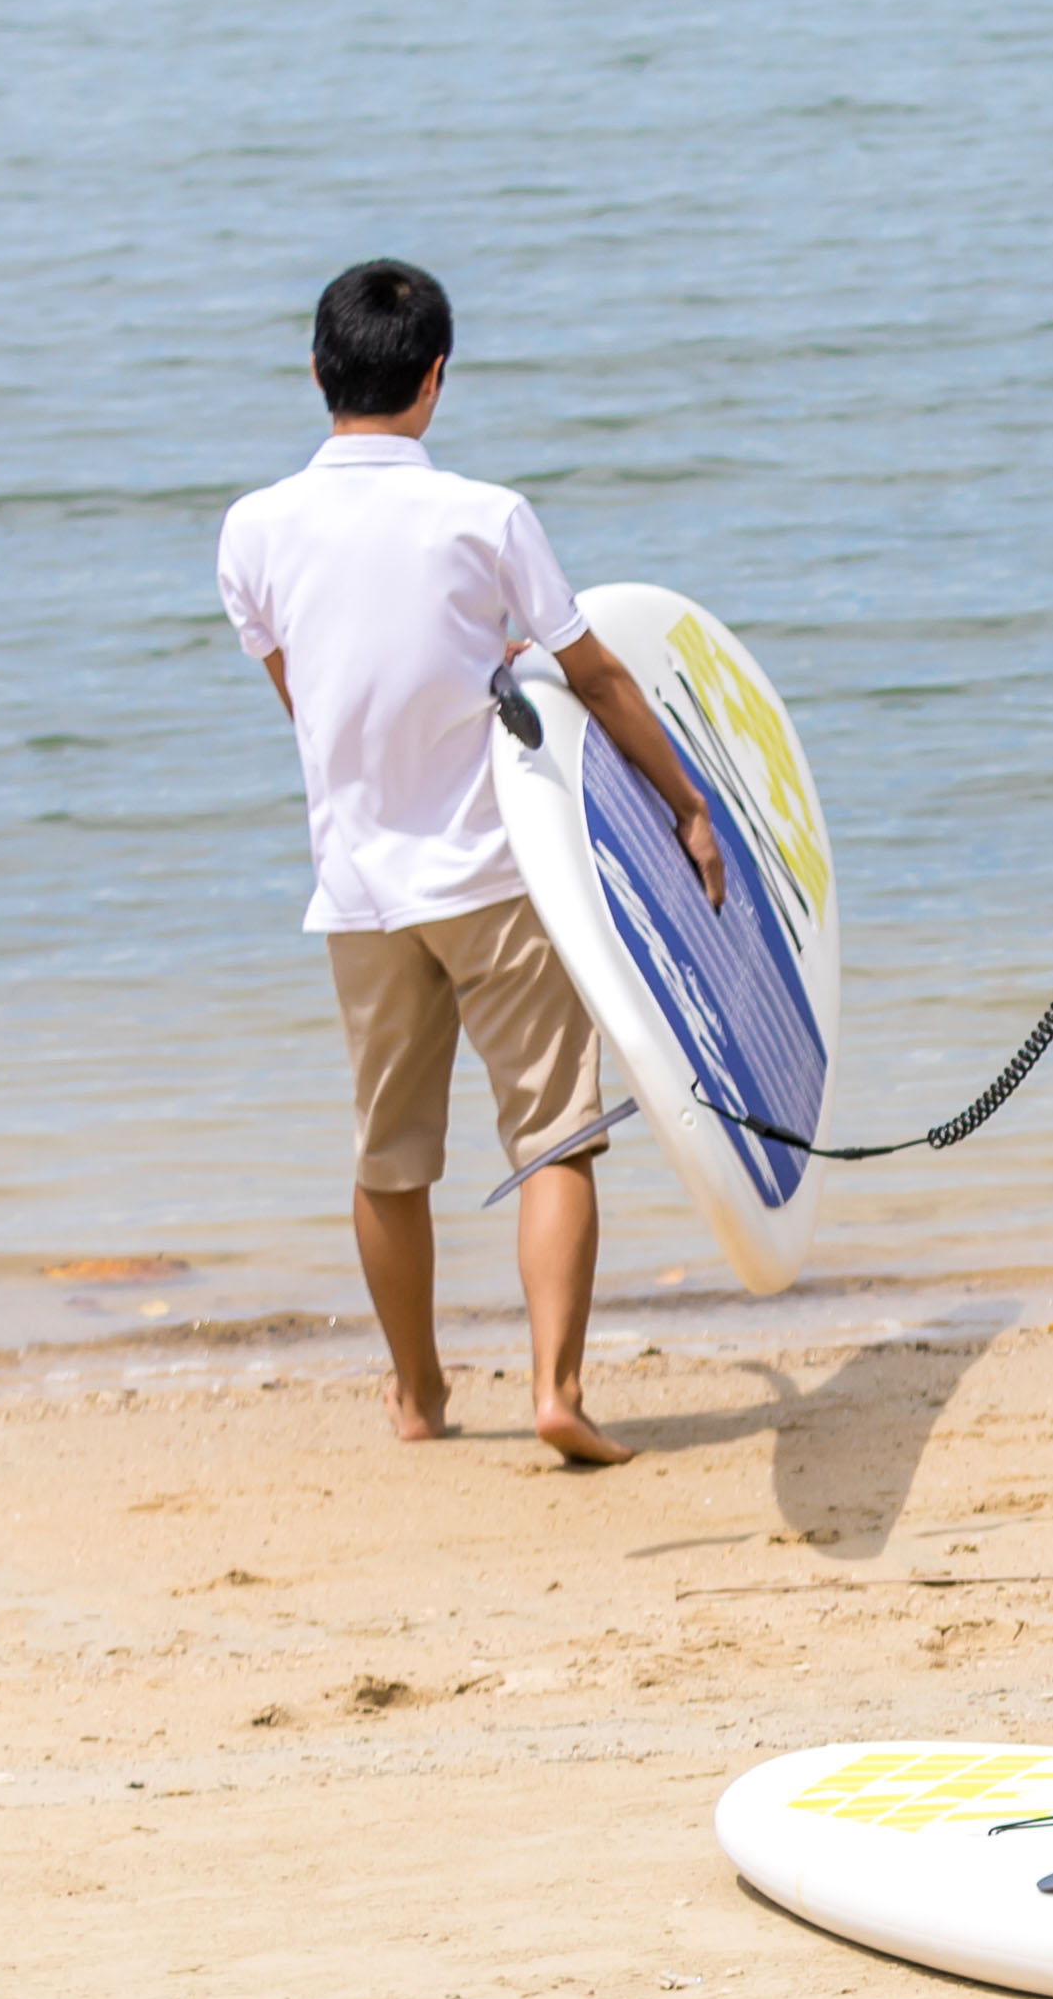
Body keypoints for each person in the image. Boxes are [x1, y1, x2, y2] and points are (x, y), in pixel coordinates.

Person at [216, 258, 723, 1466]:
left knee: (388, 1161)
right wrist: (688, 805)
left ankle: (418, 1395)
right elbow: (594, 675)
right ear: (436, 378)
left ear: (315, 371)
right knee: (555, 1136)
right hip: (498, 879)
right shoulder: (485, 516)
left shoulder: (252, 531)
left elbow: (313, 705)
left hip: (359, 893)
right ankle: (554, 1390)